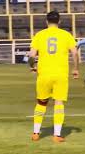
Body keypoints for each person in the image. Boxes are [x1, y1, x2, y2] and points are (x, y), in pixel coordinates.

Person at [28, 11, 79, 143]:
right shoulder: (66, 35)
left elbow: (32, 55)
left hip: (44, 74)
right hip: (61, 74)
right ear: (59, 21)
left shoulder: (39, 35)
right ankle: (57, 135)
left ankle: (35, 133)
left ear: (46, 21)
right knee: (59, 102)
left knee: (41, 103)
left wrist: (32, 66)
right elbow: (75, 53)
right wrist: (75, 69)